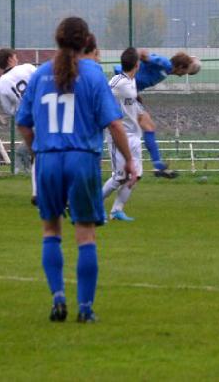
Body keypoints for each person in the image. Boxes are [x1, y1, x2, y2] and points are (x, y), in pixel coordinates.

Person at [16, 17, 136, 323]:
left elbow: (23, 123)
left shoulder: (41, 74)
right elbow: (114, 124)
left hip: (48, 160)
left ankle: (58, 299)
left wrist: (37, 150)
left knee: (50, 231)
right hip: (82, 159)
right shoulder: (94, 76)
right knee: (86, 235)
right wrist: (129, 160)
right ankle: (85, 309)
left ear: (57, 41)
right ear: (85, 43)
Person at [118, 49, 201, 178]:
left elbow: (142, 74)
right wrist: (127, 75)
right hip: (122, 88)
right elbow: (141, 54)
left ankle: (157, 166)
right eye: (184, 72)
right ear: (179, 67)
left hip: (127, 91)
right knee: (143, 127)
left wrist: (135, 92)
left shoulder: (165, 70)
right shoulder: (165, 63)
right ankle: (153, 165)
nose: (182, 75)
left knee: (148, 126)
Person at [101, 47, 145, 222]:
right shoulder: (118, 82)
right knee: (119, 177)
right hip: (118, 134)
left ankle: (117, 210)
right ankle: (94, 205)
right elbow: (102, 92)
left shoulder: (132, 81)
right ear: (137, 64)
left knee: (136, 175)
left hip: (134, 135)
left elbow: (132, 100)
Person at [0, 48, 38, 202]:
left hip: (26, 119)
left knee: (36, 154)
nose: (17, 58)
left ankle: (36, 192)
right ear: (9, 59)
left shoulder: (1, 83)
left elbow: (8, 109)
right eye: (15, 56)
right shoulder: (28, 68)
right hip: (43, 112)